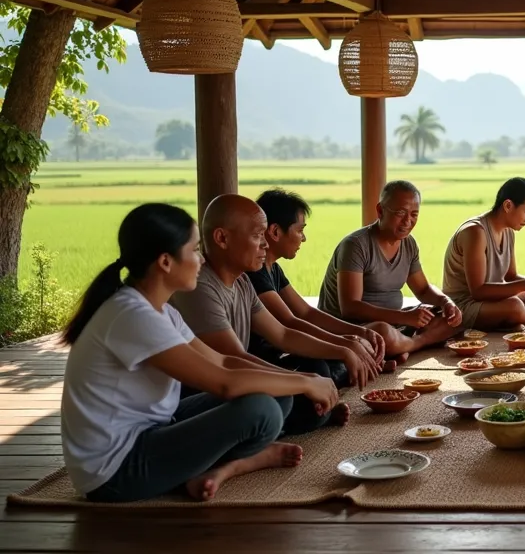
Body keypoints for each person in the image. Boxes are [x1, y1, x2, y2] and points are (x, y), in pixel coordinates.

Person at [60, 203, 337, 503]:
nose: (201, 260)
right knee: (262, 411)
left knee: (277, 393)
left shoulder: (162, 311)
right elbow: (224, 382)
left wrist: (301, 378)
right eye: (194, 251)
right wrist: (308, 384)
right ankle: (237, 464)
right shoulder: (132, 315)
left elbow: (222, 360)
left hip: (158, 428)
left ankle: (206, 468)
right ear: (166, 262)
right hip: (115, 471)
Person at [172, 194, 374, 435]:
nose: (265, 244)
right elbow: (233, 359)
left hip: (236, 377)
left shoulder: (242, 282)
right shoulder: (200, 286)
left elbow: (284, 334)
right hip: (205, 391)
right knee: (280, 399)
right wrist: (302, 383)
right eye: (257, 236)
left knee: (314, 367)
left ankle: (306, 415)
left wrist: (344, 349)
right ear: (222, 238)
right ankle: (294, 422)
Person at [251, 189, 426, 366]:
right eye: (300, 230)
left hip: (285, 348)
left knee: (362, 343)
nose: (303, 238)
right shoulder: (255, 273)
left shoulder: (273, 270)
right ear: (274, 232)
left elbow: (307, 312)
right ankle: (406, 348)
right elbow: (290, 323)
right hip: (265, 360)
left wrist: (358, 334)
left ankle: (383, 357)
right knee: (325, 363)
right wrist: (345, 342)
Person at [317, 180, 463, 348]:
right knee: (383, 332)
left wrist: (446, 302)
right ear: (380, 211)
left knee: (449, 318)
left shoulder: (409, 244)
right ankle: (413, 345)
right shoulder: (355, 245)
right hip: (353, 328)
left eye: (414, 214)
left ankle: (402, 347)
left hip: (394, 322)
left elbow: (422, 289)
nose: (408, 221)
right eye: (401, 213)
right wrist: (404, 318)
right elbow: (350, 308)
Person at [442, 177, 525, 329]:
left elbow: (511, 277)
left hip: (492, 301)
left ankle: (521, 318)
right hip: (463, 306)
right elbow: (478, 292)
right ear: (508, 205)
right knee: (514, 305)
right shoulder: (475, 232)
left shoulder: (508, 232)